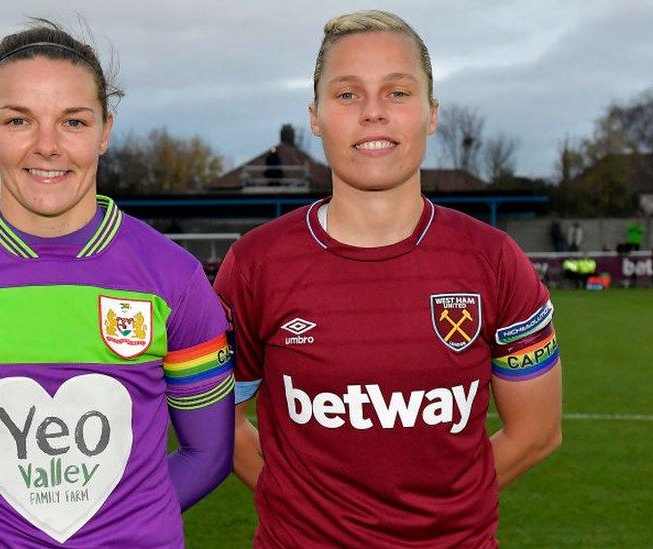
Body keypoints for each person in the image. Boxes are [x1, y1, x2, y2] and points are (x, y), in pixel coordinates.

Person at [0, 18, 233, 547]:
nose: (47, 146)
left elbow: (209, 453)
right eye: (19, 121)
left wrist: (123, 527)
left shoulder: (175, 278)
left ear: (105, 131)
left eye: (73, 122)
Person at [215, 11, 562, 547]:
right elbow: (219, 422)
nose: (373, 113)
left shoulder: (493, 260)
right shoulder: (256, 264)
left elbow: (536, 433)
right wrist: (307, 511)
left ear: (431, 113)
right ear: (314, 116)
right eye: (348, 95)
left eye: (398, 93)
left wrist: (442, 517)